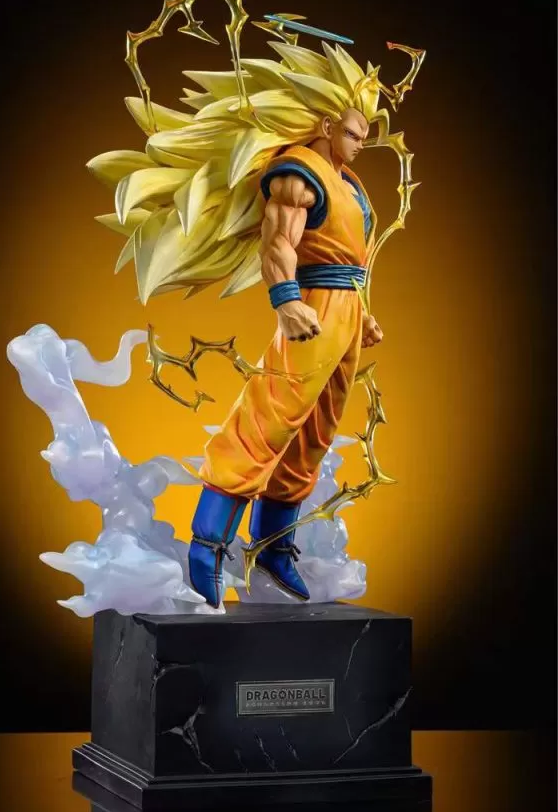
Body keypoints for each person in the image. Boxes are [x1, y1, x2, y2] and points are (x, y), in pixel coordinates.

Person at [89, 39, 389, 607]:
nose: (360, 144)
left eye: (364, 135)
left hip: (343, 312)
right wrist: (287, 299)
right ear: (327, 125)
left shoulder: (349, 182)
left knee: (315, 432)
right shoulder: (299, 173)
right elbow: (279, 244)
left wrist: (362, 316)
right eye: (354, 133)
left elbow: (343, 256)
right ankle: (207, 547)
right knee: (268, 418)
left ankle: (273, 545)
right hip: (312, 308)